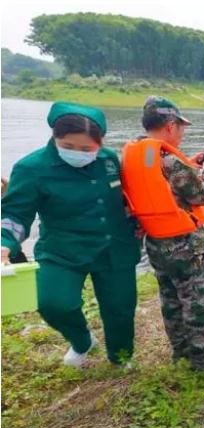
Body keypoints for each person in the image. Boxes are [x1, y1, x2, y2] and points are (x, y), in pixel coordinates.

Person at [1, 102, 141, 367]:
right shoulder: (31, 168)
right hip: (63, 249)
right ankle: (82, 340)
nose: (79, 153)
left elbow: (126, 197)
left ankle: (121, 357)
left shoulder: (108, 160)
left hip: (115, 247)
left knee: (120, 308)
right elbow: (15, 214)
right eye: (68, 146)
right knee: (53, 302)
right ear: (55, 137)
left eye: (87, 149)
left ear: (100, 143)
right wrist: (4, 242)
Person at [121, 95, 204, 372]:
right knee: (199, 299)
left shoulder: (134, 155)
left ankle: (180, 351)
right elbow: (203, 194)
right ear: (170, 126)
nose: (182, 133)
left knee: (170, 298)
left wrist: (193, 166)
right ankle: (202, 359)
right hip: (186, 245)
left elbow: (162, 187)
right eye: (181, 127)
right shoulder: (169, 159)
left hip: (156, 241)